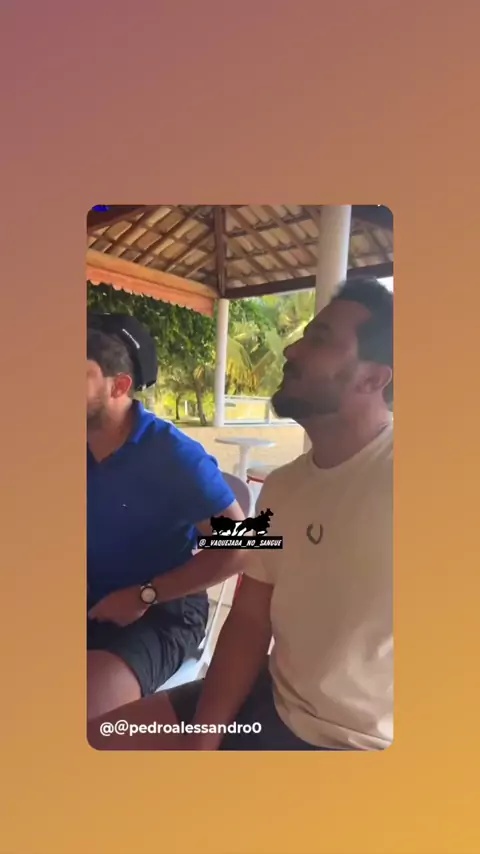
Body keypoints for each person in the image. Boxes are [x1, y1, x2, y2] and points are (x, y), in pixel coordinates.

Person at [88, 277, 393, 751]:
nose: (291, 350)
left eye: (320, 340)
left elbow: (231, 548)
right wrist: (204, 737)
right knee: (96, 743)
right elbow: (250, 619)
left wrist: (146, 593)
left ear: (373, 378)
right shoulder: (284, 487)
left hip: (361, 743)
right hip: (271, 701)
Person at [86, 313, 247, 720]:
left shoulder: (173, 456)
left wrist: (144, 594)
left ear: (119, 386)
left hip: (163, 611)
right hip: (89, 594)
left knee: (84, 712)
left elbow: (242, 547)